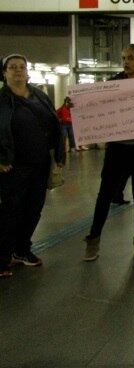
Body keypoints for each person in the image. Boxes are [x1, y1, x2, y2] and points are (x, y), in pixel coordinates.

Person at [83, 44, 134, 262]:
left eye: (130, 58)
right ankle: (93, 240)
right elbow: (97, 107)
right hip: (117, 149)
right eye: (123, 58)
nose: (126, 62)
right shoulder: (113, 84)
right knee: (104, 195)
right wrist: (77, 104)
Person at [0, 54, 65, 277]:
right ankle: (2, 256)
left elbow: (55, 124)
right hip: (13, 166)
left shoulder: (39, 96)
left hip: (40, 163)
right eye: (12, 67)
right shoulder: (2, 100)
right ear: (5, 73)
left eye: (21, 67)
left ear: (27, 72)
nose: (18, 70)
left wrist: (59, 154)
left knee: (34, 209)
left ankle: (22, 249)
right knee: (11, 211)